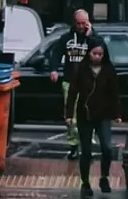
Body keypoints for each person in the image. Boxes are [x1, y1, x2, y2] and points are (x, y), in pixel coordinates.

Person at [48, 9, 106, 159]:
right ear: (74, 22)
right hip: (70, 82)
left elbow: (102, 50)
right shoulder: (66, 38)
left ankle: (87, 146)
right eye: (78, 23)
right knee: (70, 117)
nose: (81, 26)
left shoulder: (93, 38)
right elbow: (55, 53)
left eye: (84, 23)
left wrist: (90, 35)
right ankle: (74, 146)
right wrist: (54, 69)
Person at [65, 43, 121, 197]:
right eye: (94, 53)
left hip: (103, 114)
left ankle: (104, 177)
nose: (97, 57)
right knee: (86, 151)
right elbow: (72, 92)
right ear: (89, 53)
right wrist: (69, 114)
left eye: (100, 54)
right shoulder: (81, 69)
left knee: (107, 148)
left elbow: (114, 92)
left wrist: (117, 114)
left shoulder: (109, 70)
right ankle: (85, 182)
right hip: (85, 114)